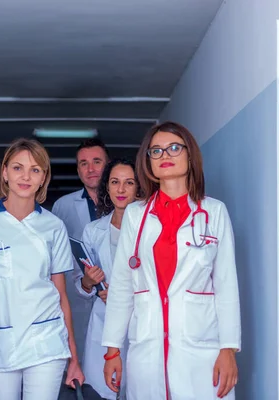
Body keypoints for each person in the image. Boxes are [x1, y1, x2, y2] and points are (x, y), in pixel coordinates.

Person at [102, 121, 241, 400]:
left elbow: (226, 285)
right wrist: (112, 349)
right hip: (147, 347)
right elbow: (121, 286)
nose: (165, 155)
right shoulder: (135, 215)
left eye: (174, 148)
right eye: (156, 151)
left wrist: (228, 348)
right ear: (149, 162)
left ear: (190, 156)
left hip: (201, 350)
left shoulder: (214, 212)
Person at [0, 138, 84, 400]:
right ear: (4, 173)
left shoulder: (54, 226)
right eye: (18, 168)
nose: (26, 177)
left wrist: (74, 357)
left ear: (43, 178)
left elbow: (61, 295)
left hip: (46, 340)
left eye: (35, 170)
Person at [73, 158, 140, 399]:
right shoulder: (94, 230)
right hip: (104, 320)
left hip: (140, 321)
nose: (121, 190)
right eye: (115, 182)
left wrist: (125, 295)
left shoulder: (151, 226)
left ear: (138, 187)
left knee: (139, 388)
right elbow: (81, 286)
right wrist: (90, 282)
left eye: (129, 182)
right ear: (107, 187)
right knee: (103, 391)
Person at [51, 138, 109, 363]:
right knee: (81, 362)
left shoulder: (128, 203)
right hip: (79, 296)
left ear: (108, 164)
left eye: (97, 161)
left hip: (117, 295)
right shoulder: (63, 206)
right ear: (77, 169)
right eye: (83, 163)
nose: (91, 169)